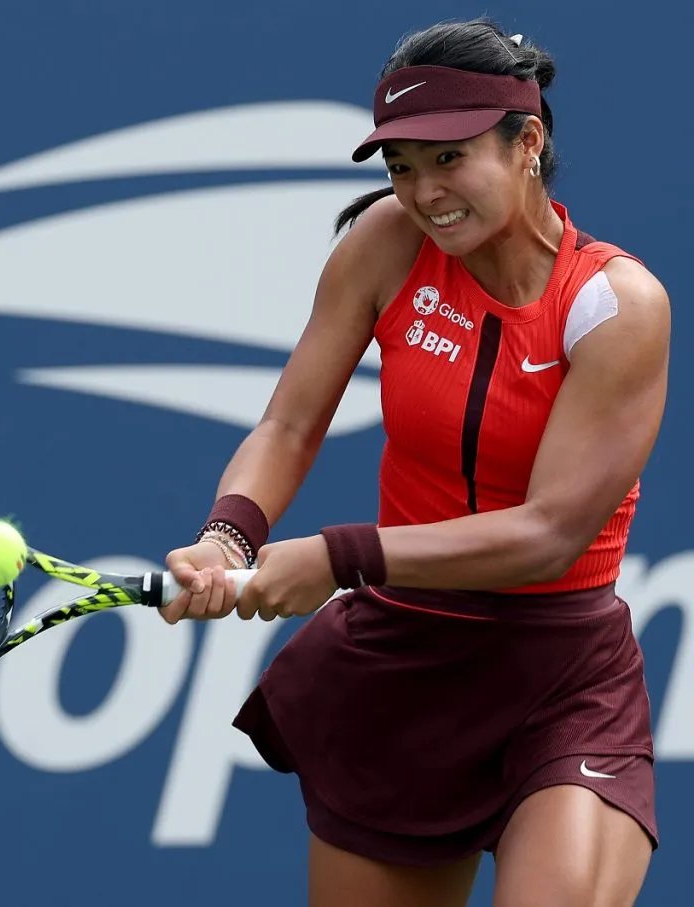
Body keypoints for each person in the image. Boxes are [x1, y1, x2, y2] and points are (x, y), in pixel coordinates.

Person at [159, 17, 670, 907]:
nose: (424, 192)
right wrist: (227, 537)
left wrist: (340, 557)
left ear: (528, 143)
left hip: (561, 671)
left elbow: (550, 534)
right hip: (407, 664)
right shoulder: (386, 246)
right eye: (402, 167)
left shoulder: (615, 306)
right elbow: (287, 427)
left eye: (449, 157)